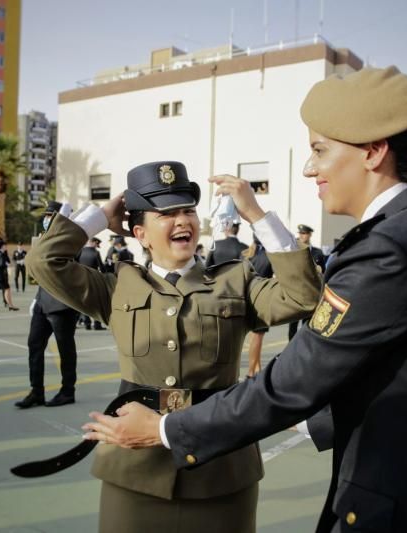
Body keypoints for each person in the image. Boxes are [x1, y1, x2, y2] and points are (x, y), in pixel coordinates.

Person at [83, 67, 407, 533]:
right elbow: (395, 374)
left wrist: (165, 429)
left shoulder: (387, 248)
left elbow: (296, 380)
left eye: (319, 150)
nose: (310, 167)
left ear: (373, 152)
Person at [27, 160, 321, 533]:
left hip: (220, 468)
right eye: (166, 214)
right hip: (135, 469)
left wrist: (259, 217)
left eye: (188, 211)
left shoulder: (236, 280)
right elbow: (42, 261)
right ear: (141, 233)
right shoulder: (117, 285)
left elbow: (306, 298)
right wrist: (101, 215)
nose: (182, 220)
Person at [16, 219, 87, 409]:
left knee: (65, 349)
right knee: (34, 345)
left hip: (62, 304)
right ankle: (36, 391)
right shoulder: (44, 239)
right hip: (42, 301)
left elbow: (60, 265)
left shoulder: (71, 240)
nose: (46, 221)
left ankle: (67, 391)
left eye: (51, 217)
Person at [288, 223, 326, 340]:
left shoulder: (317, 253)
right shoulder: (293, 252)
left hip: (311, 292)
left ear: (309, 235)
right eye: (300, 233)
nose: (302, 236)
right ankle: (291, 350)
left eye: (304, 233)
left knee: (307, 325)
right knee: (293, 325)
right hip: (296, 292)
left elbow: (323, 273)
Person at [242, 235, 273, 377]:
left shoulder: (246, 254)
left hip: (246, 297)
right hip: (261, 298)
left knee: (254, 336)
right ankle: (251, 370)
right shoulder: (268, 256)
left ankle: (257, 366)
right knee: (257, 337)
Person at [77, 237, 106, 330]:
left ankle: (87, 323)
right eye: (97, 244)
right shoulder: (96, 253)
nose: (97, 246)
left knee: (84, 302)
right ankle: (97, 324)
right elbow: (102, 268)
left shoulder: (80, 251)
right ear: (93, 242)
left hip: (81, 280)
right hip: (93, 281)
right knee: (96, 303)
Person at [0, 239, 18, 312]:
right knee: (7, 289)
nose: (6, 247)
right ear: (2, 246)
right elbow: (2, 264)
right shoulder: (1, 254)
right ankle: (11, 306)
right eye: (5, 246)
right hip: (1, 276)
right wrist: (7, 264)